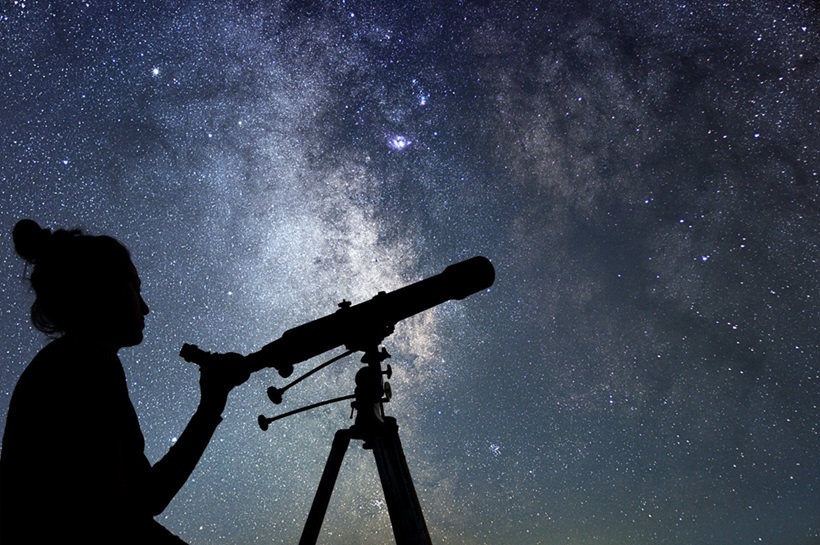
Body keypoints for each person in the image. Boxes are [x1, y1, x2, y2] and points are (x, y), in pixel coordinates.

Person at [0, 219, 249, 544]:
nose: (145, 307)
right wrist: (212, 404)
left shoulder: (69, 361)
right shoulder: (89, 364)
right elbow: (142, 501)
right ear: (107, 289)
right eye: (136, 288)